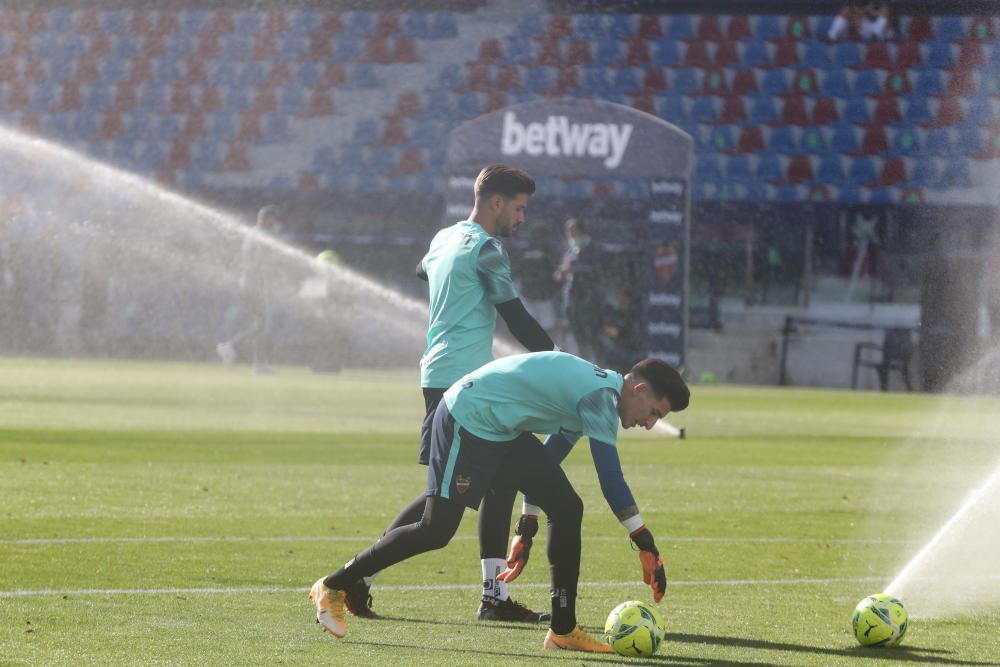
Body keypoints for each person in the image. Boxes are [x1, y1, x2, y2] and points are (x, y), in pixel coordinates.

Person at [310, 351, 690, 653]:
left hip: (499, 429)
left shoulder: (596, 394)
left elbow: (546, 464)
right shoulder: (600, 399)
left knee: (567, 506)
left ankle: (563, 630)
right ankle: (334, 584)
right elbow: (611, 481)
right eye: (655, 412)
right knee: (436, 529)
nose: (652, 423)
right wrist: (645, 543)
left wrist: (526, 527)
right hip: (468, 417)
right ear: (639, 389)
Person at [341, 165, 557, 623]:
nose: (522, 219)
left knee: (495, 483)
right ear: (495, 203)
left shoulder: (444, 238)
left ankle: (492, 597)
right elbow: (516, 319)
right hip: (466, 385)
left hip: (438, 375)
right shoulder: (487, 250)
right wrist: (559, 361)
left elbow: (422, 270)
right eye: (518, 209)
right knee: (441, 511)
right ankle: (354, 577)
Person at [216, 205, 281, 373]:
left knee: (260, 324)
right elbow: (259, 263)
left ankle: (256, 362)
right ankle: (231, 347)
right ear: (265, 219)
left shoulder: (253, 234)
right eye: (273, 219)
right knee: (261, 324)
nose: (275, 223)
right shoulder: (261, 235)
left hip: (250, 284)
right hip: (254, 285)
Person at [555, 218, 602, 360]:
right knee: (575, 330)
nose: (571, 236)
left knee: (590, 332)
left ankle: (596, 360)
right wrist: (561, 273)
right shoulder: (570, 250)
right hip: (572, 295)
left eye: (573, 232)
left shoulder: (593, 248)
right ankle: (582, 358)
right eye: (569, 233)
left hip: (588, 296)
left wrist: (574, 270)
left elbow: (596, 270)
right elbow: (562, 272)